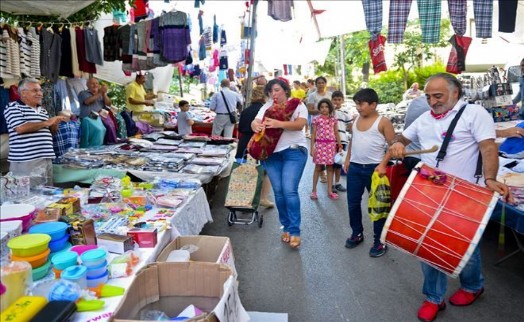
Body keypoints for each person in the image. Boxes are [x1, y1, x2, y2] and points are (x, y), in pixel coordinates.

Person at [387, 73, 513, 322]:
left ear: (455, 93)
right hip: (429, 189)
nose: (432, 101)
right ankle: (434, 297)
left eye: (438, 96)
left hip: (466, 192)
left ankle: (473, 286)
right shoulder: (424, 119)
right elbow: (401, 137)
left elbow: (488, 147)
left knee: (465, 247)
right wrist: (396, 143)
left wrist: (489, 179)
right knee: (427, 244)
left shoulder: (475, 114)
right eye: (428, 96)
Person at [251, 78, 308, 249]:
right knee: (279, 192)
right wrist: (255, 126)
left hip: (294, 151)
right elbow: (255, 121)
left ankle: (295, 231)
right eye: (270, 91)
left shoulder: (297, 104)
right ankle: (286, 226)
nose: (273, 94)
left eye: (277, 90)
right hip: (271, 154)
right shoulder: (266, 106)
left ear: (285, 90)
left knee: (289, 190)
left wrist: (278, 123)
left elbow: (300, 125)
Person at [343, 88, 395, 257]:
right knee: (352, 203)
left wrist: (383, 164)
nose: (358, 107)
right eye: (356, 103)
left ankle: (379, 241)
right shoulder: (357, 119)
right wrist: (348, 158)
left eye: (361, 104)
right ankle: (356, 233)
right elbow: (353, 141)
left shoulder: (383, 122)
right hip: (355, 169)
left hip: (375, 170)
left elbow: (393, 146)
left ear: (373, 104)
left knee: (378, 206)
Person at [4, 78, 67, 186]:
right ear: (23, 93)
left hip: (45, 158)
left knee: (46, 193)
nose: (40, 94)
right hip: (27, 160)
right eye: (35, 90)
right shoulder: (13, 107)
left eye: (40, 90)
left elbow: (50, 133)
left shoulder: (42, 110)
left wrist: (54, 124)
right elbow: (20, 128)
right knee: (28, 194)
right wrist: (47, 122)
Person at [235, 86, 274, 208]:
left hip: (243, 144)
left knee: (244, 171)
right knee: (265, 172)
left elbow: (240, 128)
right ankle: (262, 198)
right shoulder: (266, 111)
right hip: (258, 144)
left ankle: (242, 198)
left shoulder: (246, 111)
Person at [310, 98, 342, 200]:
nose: (324, 109)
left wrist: (340, 144)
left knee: (330, 168)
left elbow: (336, 132)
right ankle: (314, 191)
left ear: (330, 108)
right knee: (318, 168)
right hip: (319, 145)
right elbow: (313, 133)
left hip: (331, 146)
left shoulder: (333, 119)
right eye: (322, 107)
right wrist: (312, 148)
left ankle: (329, 191)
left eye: (326, 107)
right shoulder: (316, 119)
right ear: (319, 108)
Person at [307, 76, 333, 181]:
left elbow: (333, 108)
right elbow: (309, 110)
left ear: (325, 84)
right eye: (319, 83)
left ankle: (329, 171)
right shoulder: (312, 95)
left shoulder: (330, 95)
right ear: (316, 84)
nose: (321, 84)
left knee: (329, 147)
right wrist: (321, 112)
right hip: (317, 124)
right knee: (319, 148)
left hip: (329, 124)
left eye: (323, 82)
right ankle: (322, 172)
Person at [332, 90, 351, 192]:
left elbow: (350, 125)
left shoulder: (346, 112)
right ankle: (331, 185)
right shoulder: (330, 111)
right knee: (330, 163)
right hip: (330, 141)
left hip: (342, 140)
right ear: (332, 100)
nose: (337, 102)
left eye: (339, 100)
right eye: (335, 100)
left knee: (339, 162)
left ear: (342, 100)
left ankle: (338, 183)